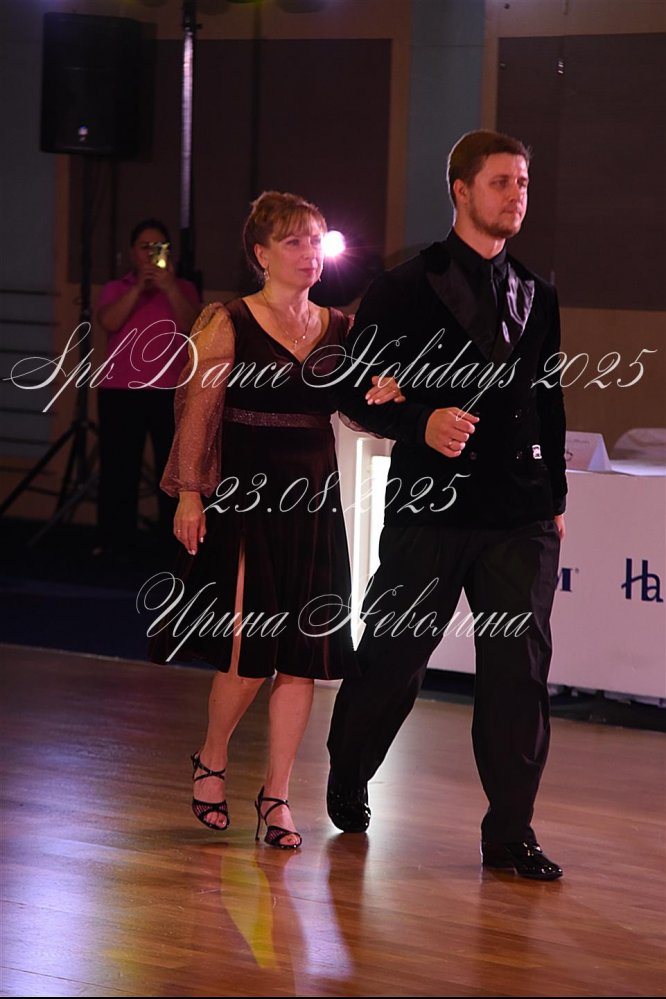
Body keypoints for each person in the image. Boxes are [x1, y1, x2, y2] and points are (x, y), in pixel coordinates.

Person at [325, 130, 567, 880]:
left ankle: (510, 833)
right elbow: (351, 388)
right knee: (394, 659)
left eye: (522, 182)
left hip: (520, 514)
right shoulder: (404, 287)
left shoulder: (538, 292)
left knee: (518, 674)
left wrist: (554, 496)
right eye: (500, 182)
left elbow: (549, 401)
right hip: (430, 507)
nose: (516, 195)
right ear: (461, 190)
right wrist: (420, 420)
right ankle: (348, 771)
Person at [148, 191, 404, 849]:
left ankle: (277, 795)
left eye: (316, 240)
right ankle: (212, 759)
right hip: (244, 500)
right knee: (247, 652)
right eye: (294, 241)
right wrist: (189, 493)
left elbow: (357, 409)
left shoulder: (342, 327)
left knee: (302, 658)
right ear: (261, 253)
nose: (309, 253)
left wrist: (385, 393)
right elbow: (198, 412)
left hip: (313, 498)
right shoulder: (227, 320)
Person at [96, 219, 200, 558]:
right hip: (120, 389)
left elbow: (194, 327)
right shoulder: (117, 288)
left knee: (172, 472)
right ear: (132, 252)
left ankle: (173, 545)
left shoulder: (184, 288)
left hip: (171, 390)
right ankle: (114, 543)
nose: (150, 254)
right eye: (145, 247)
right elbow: (109, 321)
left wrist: (169, 287)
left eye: (159, 247)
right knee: (118, 468)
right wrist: (139, 287)